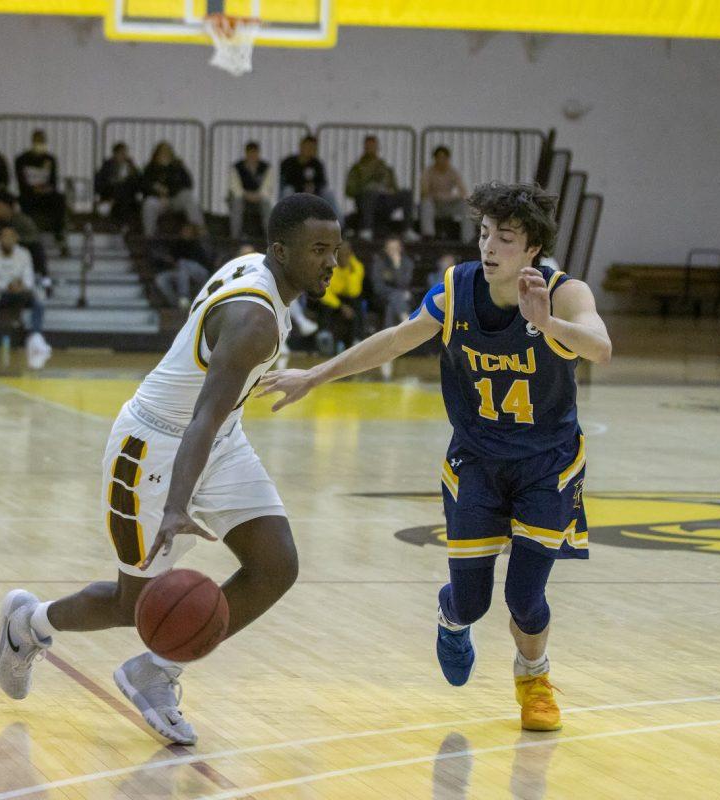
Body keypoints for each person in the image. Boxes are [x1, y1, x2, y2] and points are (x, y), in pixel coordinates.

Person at [258, 182, 613, 733]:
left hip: (548, 463)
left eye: (505, 237)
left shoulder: (565, 294)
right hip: (477, 459)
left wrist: (547, 325)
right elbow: (397, 339)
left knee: (525, 596)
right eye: (484, 233)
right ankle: (452, 618)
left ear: (533, 248)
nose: (489, 246)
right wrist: (315, 374)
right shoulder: (457, 288)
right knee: (472, 603)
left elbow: (600, 347)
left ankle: (533, 675)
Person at [0, 193, 341, 745]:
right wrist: (177, 504)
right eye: (319, 249)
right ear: (281, 250)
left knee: (276, 565)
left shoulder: (255, 269)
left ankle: (154, 669)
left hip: (219, 440)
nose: (332, 261)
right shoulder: (256, 321)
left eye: (335, 248)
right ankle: (28, 624)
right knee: (135, 606)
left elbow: (210, 412)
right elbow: (199, 417)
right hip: (153, 448)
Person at [0, 225, 49, 360]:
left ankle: (36, 335)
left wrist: (21, 285)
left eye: (11, 237)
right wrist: (7, 285)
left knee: (39, 294)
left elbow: (29, 278)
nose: (8, 240)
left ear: (16, 239)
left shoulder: (24, 253)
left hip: (20, 291)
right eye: (5, 237)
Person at [345, 135, 416, 242]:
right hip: (367, 202)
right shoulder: (357, 168)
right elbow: (349, 190)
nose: (370, 148)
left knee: (406, 193)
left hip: (385, 201)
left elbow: (395, 188)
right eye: (368, 146)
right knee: (371, 192)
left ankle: (407, 230)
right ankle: (366, 229)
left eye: (373, 146)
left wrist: (389, 191)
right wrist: (368, 187)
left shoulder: (386, 168)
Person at [14, 130, 68, 254]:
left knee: (59, 199)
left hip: (45, 194)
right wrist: (33, 189)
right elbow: (20, 181)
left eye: (41, 140)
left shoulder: (50, 159)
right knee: (23, 201)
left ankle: (59, 235)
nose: (39, 143)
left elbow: (53, 181)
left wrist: (45, 189)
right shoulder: (22, 159)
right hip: (29, 194)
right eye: (37, 140)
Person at [140, 141, 204, 236]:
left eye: (166, 153)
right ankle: (149, 235)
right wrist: (158, 193)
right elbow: (144, 186)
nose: (164, 155)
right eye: (161, 153)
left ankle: (197, 227)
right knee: (149, 204)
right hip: (157, 201)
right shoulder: (149, 168)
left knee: (188, 196)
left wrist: (168, 191)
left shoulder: (178, 167)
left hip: (174, 199)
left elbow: (188, 184)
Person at [315, 238, 366, 352]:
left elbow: (354, 292)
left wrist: (349, 271)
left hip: (348, 297)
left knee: (357, 304)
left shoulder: (357, 267)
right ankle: (324, 336)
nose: (343, 256)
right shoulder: (328, 265)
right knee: (325, 304)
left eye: (346, 253)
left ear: (350, 253)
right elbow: (325, 292)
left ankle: (356, 340)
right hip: (331, 297)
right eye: (340, 252)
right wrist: (341, 306)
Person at [149, 223, 211, 309]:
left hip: (200, 271)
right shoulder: (178, 243)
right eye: (184, 231)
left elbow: (205, 260)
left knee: (183, 264)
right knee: (160, 279)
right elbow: (172, 260)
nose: (185, 233)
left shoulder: (199, 243)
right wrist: (168, 260)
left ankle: (184, 297)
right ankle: (175, 303)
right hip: (182, 272)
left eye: (188, 231)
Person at [0, 191, 48, 281]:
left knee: (37, 248)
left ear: (8, 207)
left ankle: (41, 277)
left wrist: (13, 239)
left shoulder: (23, 221)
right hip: (1, 252)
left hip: (22, 251)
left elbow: (33, 238)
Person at [420, 146, 475, 242]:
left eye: (444, 158)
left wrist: (455, 197)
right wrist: (436, 195)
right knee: (426, 203)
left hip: (449, 205)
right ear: (435, 158)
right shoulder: (428, 172)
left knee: (466, 205)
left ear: (448, 159)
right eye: (439, 158)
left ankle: (468, 238)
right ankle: (428, 235)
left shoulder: (453, 172)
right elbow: (424, 192)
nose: (441, 160)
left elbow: (463, 191)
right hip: (435, 205)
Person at [279, 135, 341, 220]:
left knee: (328, 193)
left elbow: (322, 182)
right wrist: (302, 187)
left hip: (314, 193)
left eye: (312, 147)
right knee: (287, 191)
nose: (309, 150)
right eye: (307, 147)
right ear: (301, 146)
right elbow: (287, 181)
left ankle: (339, 224)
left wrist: (314, 187)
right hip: (295, 191)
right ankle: (285, 223)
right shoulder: (289, 162)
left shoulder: (317, 164)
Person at [227, 141, 275, 241]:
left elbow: (268, 186)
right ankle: (235, 236)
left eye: (255, 153)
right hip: (242, 197)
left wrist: (259, 195)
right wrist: (246, 194)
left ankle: (269, 237)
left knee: (266, 203)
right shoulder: (237, 167)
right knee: (236, 202)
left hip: (259, 197)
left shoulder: (266, 167)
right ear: (246, 153)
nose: (253, 155)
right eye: (250, 153)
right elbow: (235, 187)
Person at [369, 235, 417, 331]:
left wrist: (397, 266)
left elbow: (404, 284)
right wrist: (398, 293)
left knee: (392, 306)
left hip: (401, 298)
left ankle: (388, 333)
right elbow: (378, 286)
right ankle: (406, 320)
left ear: (401, 249)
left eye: (396, 248)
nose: (393, 251)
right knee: (396, 296)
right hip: (381, 296)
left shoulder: (407, 263)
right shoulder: (379, 262)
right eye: (390, 248)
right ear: (385, 250)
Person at [95, 142, 141, 231]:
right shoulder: (107, 166)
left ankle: (112, 201)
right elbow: (101, 183)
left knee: (124, 188)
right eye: (120, 153)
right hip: (110, 193)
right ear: (115, 154)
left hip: (127, 197)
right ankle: (113, 202)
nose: (123, 155)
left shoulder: (131, 166)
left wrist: (131, 174)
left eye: (125, 153)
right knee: (119, 189)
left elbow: (137, 183)